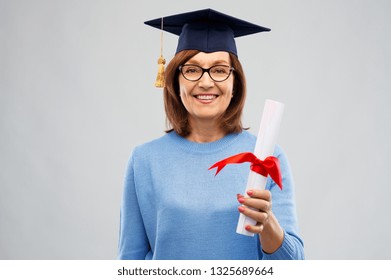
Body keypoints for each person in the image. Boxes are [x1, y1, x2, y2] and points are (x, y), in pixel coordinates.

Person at [118, 8, 304, 260]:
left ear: (234, 82)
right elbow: (129, 261)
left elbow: (294, 265)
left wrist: (267, 223)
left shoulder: (266, 157)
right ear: (175, 80)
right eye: (192, 70)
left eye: (219, 70)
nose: (206, 82)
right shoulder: (144, 160)